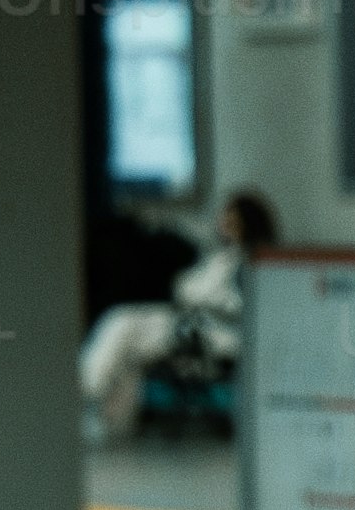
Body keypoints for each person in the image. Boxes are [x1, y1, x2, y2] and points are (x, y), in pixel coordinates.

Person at [82, 184, 275, 443]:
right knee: (121, 327)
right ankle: (103, 412)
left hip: (208, 331)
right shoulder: (224, 257)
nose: (223, 224)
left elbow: (234, 305)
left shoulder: (250, 263)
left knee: (123, 325)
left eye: (231, 219)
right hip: (191, 322)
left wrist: (196, 297)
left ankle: (84, 391)